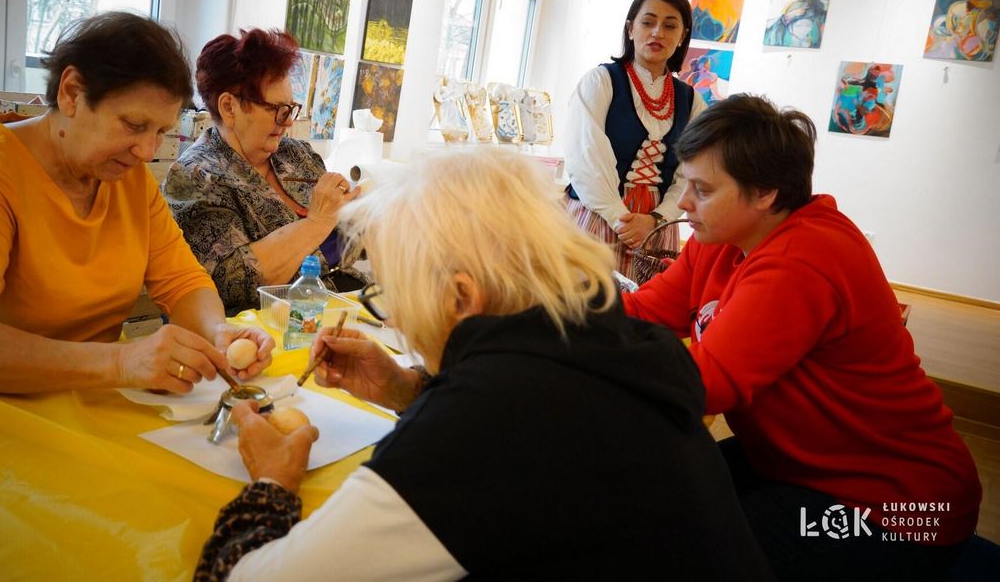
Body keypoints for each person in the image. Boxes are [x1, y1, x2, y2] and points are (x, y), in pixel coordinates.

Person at [194, 148, 775, 581]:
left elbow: (241, 578)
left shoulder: (480, 427)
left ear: (462, 297)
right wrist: (407, 388)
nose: (400, 315)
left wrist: (271, 482)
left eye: (395, 295)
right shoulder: (608, 339)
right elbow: (546, 438)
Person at [622, 94, 981, 581]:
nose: (684, 202)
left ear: (765, 192)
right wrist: (552, 308)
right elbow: (644, 310)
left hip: (899, 511)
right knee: (657, 500)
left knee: (697, 553)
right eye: (685, 182)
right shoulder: (722, 237)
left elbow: (704, 384)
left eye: (702, 189)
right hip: (798, 467)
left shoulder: (802, 259)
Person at [0, 12, 272, 393]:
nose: (149, 151)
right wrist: (121, 362)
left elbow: (183, 282)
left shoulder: (127, 178)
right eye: (134, 125)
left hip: (68, 399)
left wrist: (216, 332)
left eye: (162, 131)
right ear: (72, 92)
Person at [163, 28, 368, 314]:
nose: (287, 122)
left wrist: (364, 214)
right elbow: (232, 282)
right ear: (229, 107)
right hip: (271, 330)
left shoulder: (295, 154)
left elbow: (352, 240)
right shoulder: (195, 177)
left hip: (347, 304)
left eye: (291, 108)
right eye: (277, 109)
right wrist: (318, 223)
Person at [560, 0, 707, 280]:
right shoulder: (600, 82)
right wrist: (621, 220)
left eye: (670, 26)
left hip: (655, 227)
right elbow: (585, 157)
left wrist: (656, 220)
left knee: (643, 313)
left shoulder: (692, 101)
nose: (657, 33)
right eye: (648, 22)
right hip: (596, 216)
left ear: (682, 37)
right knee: (581, 308)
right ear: (630, 29)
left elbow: (691, 171)